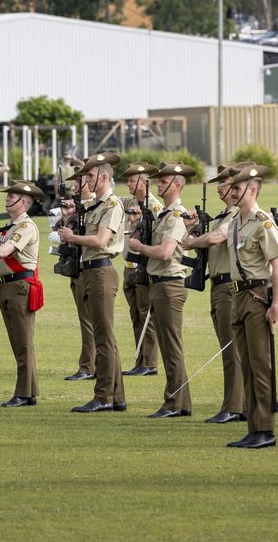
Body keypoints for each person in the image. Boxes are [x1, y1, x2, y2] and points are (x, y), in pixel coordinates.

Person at [187, 163, 277, 448]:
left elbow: (276, 265)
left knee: (260, 365)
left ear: (252, 189)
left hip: (258, 296)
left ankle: (265, 430)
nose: (230, 192)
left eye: (236, 188)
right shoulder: (237, 220)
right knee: (247, 365)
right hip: (238, 296)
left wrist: (276, 304)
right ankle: (254, 426)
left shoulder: (263, 223)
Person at [58, 153, 127, 413]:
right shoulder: (96, 205)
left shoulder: (111, 205)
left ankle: (103, 397)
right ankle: (116, 396)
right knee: (104, 337)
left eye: (89, 175)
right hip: (89, 271)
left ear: (105, 177)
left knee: (104, 339)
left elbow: (100, 241)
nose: (85, 179)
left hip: (100, 271)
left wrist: (72, 237)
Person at [126, 162, 196, 418]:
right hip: (160, 285)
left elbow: (165, 252)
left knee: (171, 347)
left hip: (169, 285)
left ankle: (172, 403)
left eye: (164, 181)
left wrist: (139, 247)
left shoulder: (176, 216)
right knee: (169, 346)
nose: (159, 184)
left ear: (177, 185)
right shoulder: (165, 214)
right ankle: (183, 403)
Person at [183, 164, 247, 424]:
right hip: (218, 285)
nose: (219, 187)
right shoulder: (224, 214)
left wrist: (192, 240)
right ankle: (236, 404)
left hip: (228, 287)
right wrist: (193, 228)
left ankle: (234, 406)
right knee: (229, 349)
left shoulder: (234, 216)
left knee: (233, 351)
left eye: (224, 183)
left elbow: (217, 238)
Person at [0, 180, 45, 407]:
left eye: (12, 196)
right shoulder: (11, 228)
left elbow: (6, 251)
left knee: (23, 342)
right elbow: (0, 247)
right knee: (18, 342)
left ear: (23, 202)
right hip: (8, 286)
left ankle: (23, 394)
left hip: (20, 287)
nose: (7, 199)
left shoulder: (25, 227)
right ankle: (29, 391)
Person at [120, 162, 161, 377]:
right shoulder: (130, 201)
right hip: (129, 266)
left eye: (132, 180)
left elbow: (156, 239)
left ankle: (150, 362)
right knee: (136, 314)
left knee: (146, 315)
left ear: (144, 183)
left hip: (144, 267)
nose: (128, 183)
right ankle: (140, 360)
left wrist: (137, 223)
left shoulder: (154, 208)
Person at [59, 167, 96, 382]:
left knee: (88, 321)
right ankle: (91, 364)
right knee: (87, 320)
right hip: (76, 266)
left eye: (78, 181)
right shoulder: (77, 207)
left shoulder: (92, 206)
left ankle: (87, 366)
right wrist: (65, 217)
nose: (74, 186)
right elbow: (61, 238)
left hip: (86, 268)